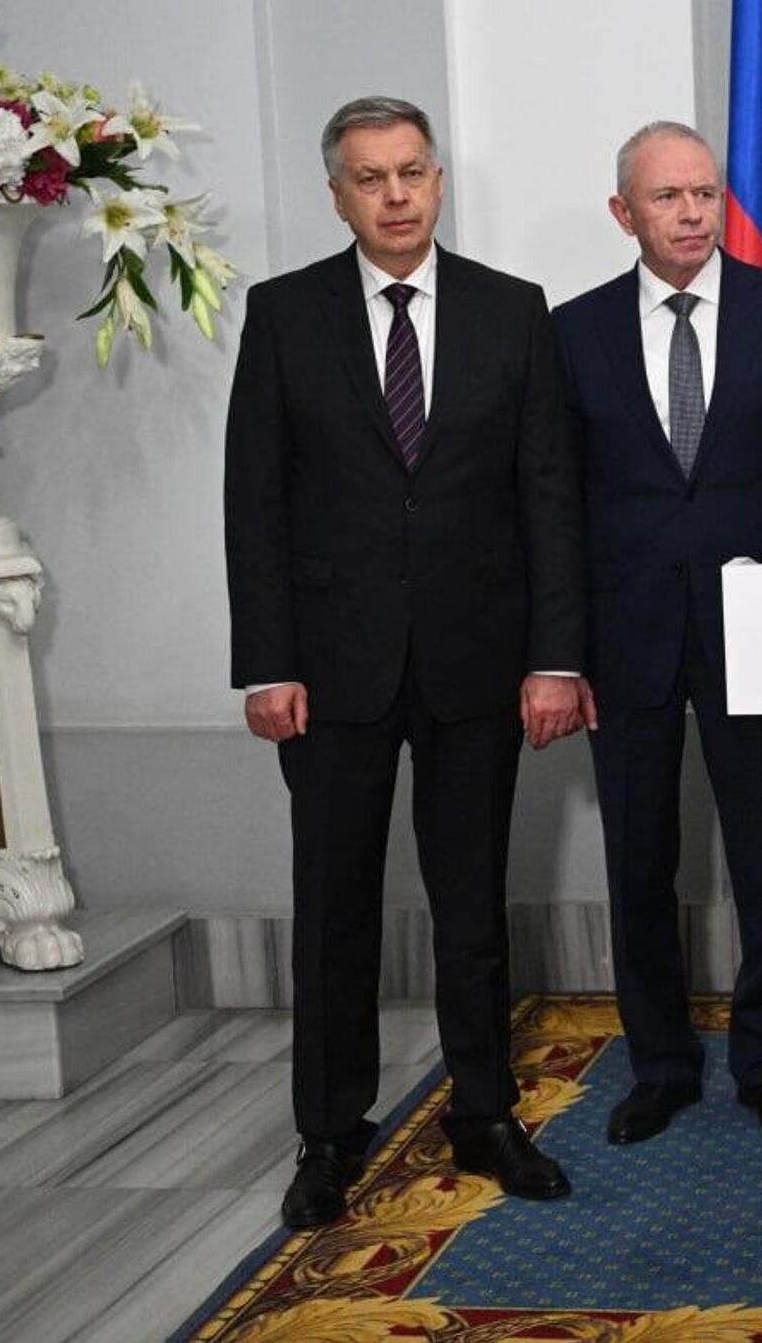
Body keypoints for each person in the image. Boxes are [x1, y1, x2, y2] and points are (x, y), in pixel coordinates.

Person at [225, 96, 588, 1228]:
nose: (395, 196)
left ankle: (484, 1111)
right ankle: (330, 1134)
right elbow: (254, 498)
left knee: (471, 902)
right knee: (332, 907)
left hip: (478, 661)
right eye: (370, 178)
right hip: (330, 669)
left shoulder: (511, 309)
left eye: (412, 172)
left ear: (439, 180)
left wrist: (555, 656)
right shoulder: (285, 314)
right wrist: (266, 662)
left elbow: (548, 496)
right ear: (337, 195)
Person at [552, 121, 762, 1147]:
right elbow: (556, 503)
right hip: (625, 637)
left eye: (705, 193)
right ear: (623, 212)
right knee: (639, 864)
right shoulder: (573, 330)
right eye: (668, 197)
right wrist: (561, 651)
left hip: (756, 632)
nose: (692, 213)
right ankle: (660, 1066)